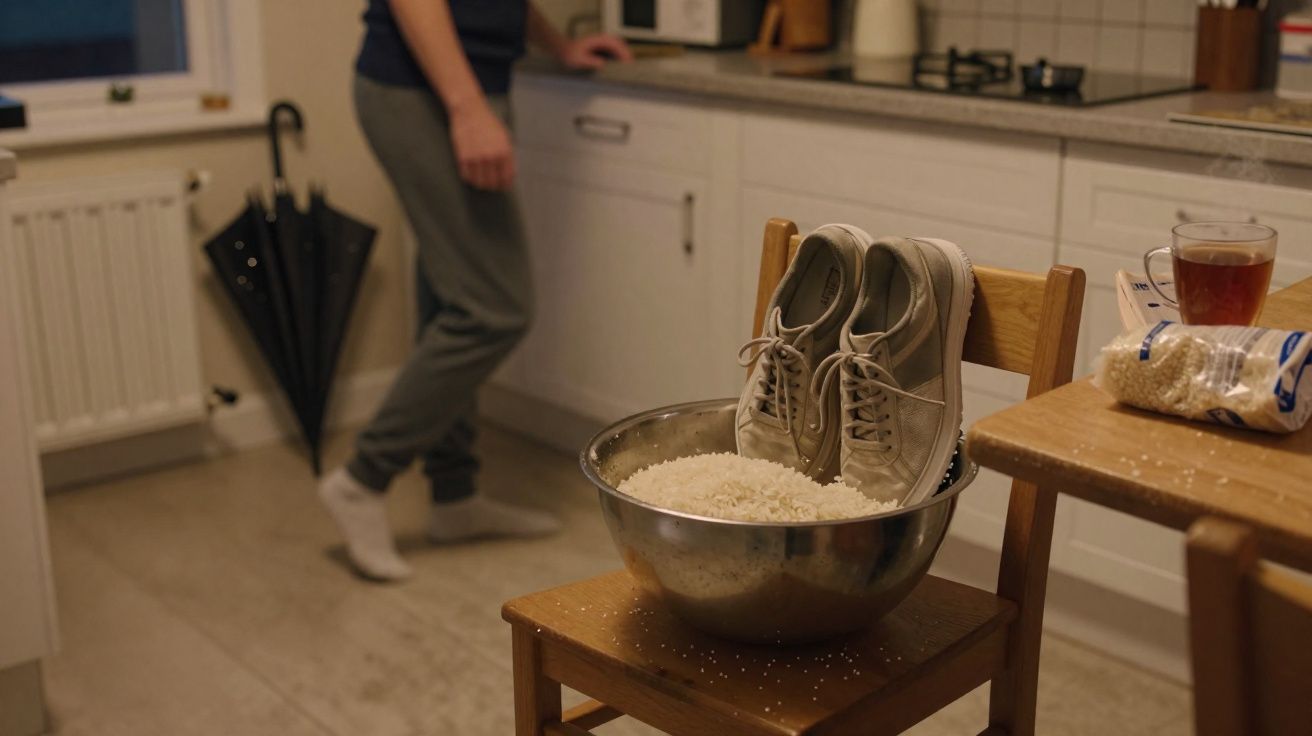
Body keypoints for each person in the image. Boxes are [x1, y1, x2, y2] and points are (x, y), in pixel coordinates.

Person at [318, 0, 633, 581]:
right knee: (493, 309)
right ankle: (362, 479)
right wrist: (466, 110)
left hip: (465, 84)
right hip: (423, 90)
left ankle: (454, 496)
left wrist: (556, 43)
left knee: (451, 293)